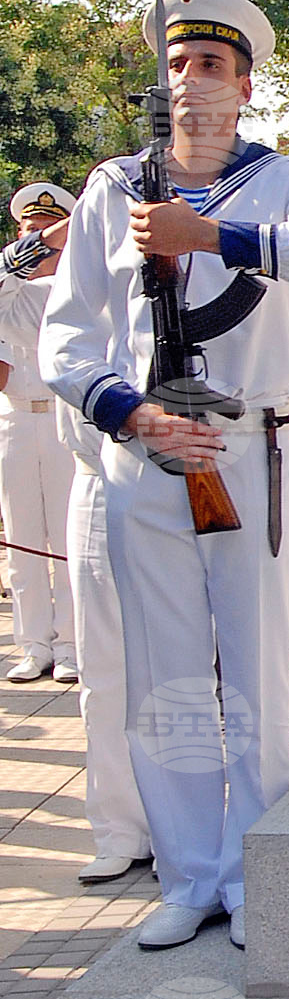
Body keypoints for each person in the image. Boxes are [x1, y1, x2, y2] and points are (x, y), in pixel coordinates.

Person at [40, 0, 289, 950]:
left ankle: (252, 869)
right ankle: (186, 874)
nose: (193, 82)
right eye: (179, 65)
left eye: (213, 66)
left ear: (247, 84)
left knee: (258, 674)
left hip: (248, 447)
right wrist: (129, 411)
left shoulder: (285, 179)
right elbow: (68, 338)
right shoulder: (114, 186)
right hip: (149, 450)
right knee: (165, 677)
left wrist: (212, 235)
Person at [0, 186, 152, 885]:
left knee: (174, 668)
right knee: (103, 670)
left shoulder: (131, 278)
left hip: (158, 471)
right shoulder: (23, 282)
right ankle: (120, 826)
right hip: (87, 467)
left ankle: (179, 825)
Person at [0, 186, 78, 682]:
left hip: (63, 417)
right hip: (13, 418)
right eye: (30, 233)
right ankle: (32, 643)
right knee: (22, 537)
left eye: (48, 235)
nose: (38, 243)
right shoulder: (7, 288)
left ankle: (71, 642)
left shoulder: (76, 287)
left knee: (68, 537)